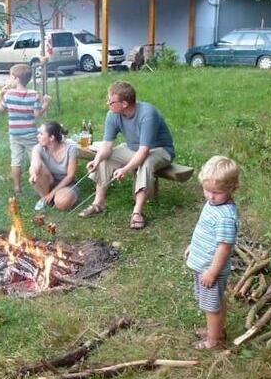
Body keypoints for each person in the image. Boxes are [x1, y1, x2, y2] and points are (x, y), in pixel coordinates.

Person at [78, 81, 174, 229]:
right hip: (133, 148)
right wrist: (96, 160)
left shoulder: (148, 114)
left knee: (145, 163)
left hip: (160, 150)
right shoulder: (113, 114)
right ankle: (98, 204)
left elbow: (144, 151)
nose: (108, 103)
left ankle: (137, 212)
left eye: (111, 101)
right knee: (106, 158)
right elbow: (107, 145)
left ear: (124, 104)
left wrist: (125, 169)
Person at [183, 156, 239, 350]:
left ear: (232, 188)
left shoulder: (225, 217)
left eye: (217, 192)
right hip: (204, 265)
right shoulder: (214, 205)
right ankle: (216, 330)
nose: (211, 196)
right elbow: (205, 230)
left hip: (210, 270)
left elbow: (224, 248)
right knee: (215, 302)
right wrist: (194, 245)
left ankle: (214, 340)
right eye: (207, 190)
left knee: (211, 307)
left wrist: (212, 273)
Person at [0, 63, 50, 195]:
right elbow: (37, 114)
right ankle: (40, 184)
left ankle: (17, 188)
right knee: (35, 159)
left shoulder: (8, 94)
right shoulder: (34, 95)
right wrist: (45, 103)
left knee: (15, 160)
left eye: (10, 76)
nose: (9, 79)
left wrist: (0, 95)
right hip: (30, 134)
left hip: (15, 134)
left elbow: (0, 110)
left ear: (16, 79)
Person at [29, 121, 79, 211]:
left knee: (62, 203)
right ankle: (45, 198)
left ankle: (53, 198)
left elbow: (70, 176)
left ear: (51, 137)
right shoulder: (38, 148)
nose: (38, 136)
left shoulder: (71, 148)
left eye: (41, 134)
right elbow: (35, 162)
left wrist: (52, 193)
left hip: (66, 184)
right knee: (33, 170)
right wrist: (34, 173)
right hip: (49, 181)